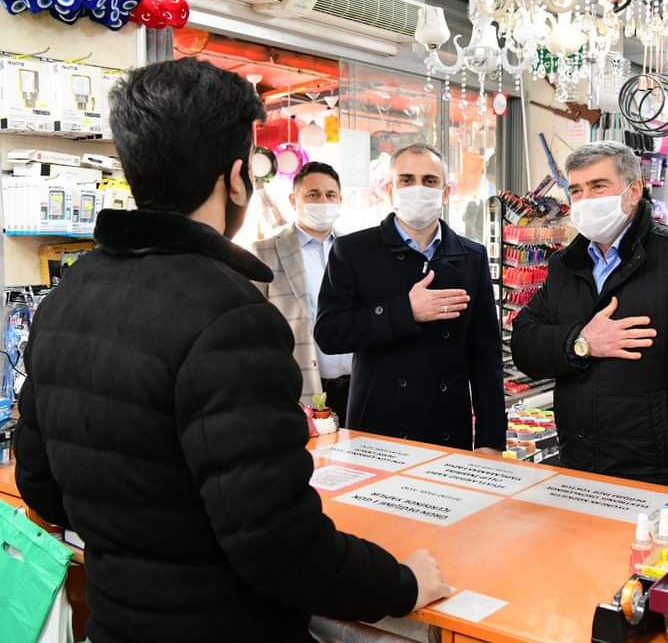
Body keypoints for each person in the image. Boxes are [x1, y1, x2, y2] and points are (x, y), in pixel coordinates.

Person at [13, 58, 449, 643]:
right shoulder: (230, 314)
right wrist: (401, 583)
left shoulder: (70, 294)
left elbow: (40, 483)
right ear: (237, 177)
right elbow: (279, 543)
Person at [510, 141, 668, 487]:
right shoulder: (565, 265)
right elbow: (524, 344)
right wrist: (580, 342)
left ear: (634, 190)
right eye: (576, 190)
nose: (586, 200)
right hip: (578, 466)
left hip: (658, 476)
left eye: (598, 186)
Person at [314, 143, 505, 453]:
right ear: (390, 190)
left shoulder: (471, 256)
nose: (418, 189)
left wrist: (490, 439)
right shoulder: (353, 251)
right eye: (406, 180)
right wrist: (404, 311)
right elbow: (329, 333)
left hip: (448, 428)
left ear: (445, 192)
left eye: (429, 181)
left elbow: (486, 358)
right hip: (377, 429)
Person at [253, 162, 352, 420]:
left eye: (330, 195)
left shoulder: (354, 250)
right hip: (299, 389)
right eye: (313, 195)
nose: (323, 202)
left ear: (340, 200)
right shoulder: (264, 252)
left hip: (355, 386)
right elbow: (252, 330)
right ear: (293, 199)